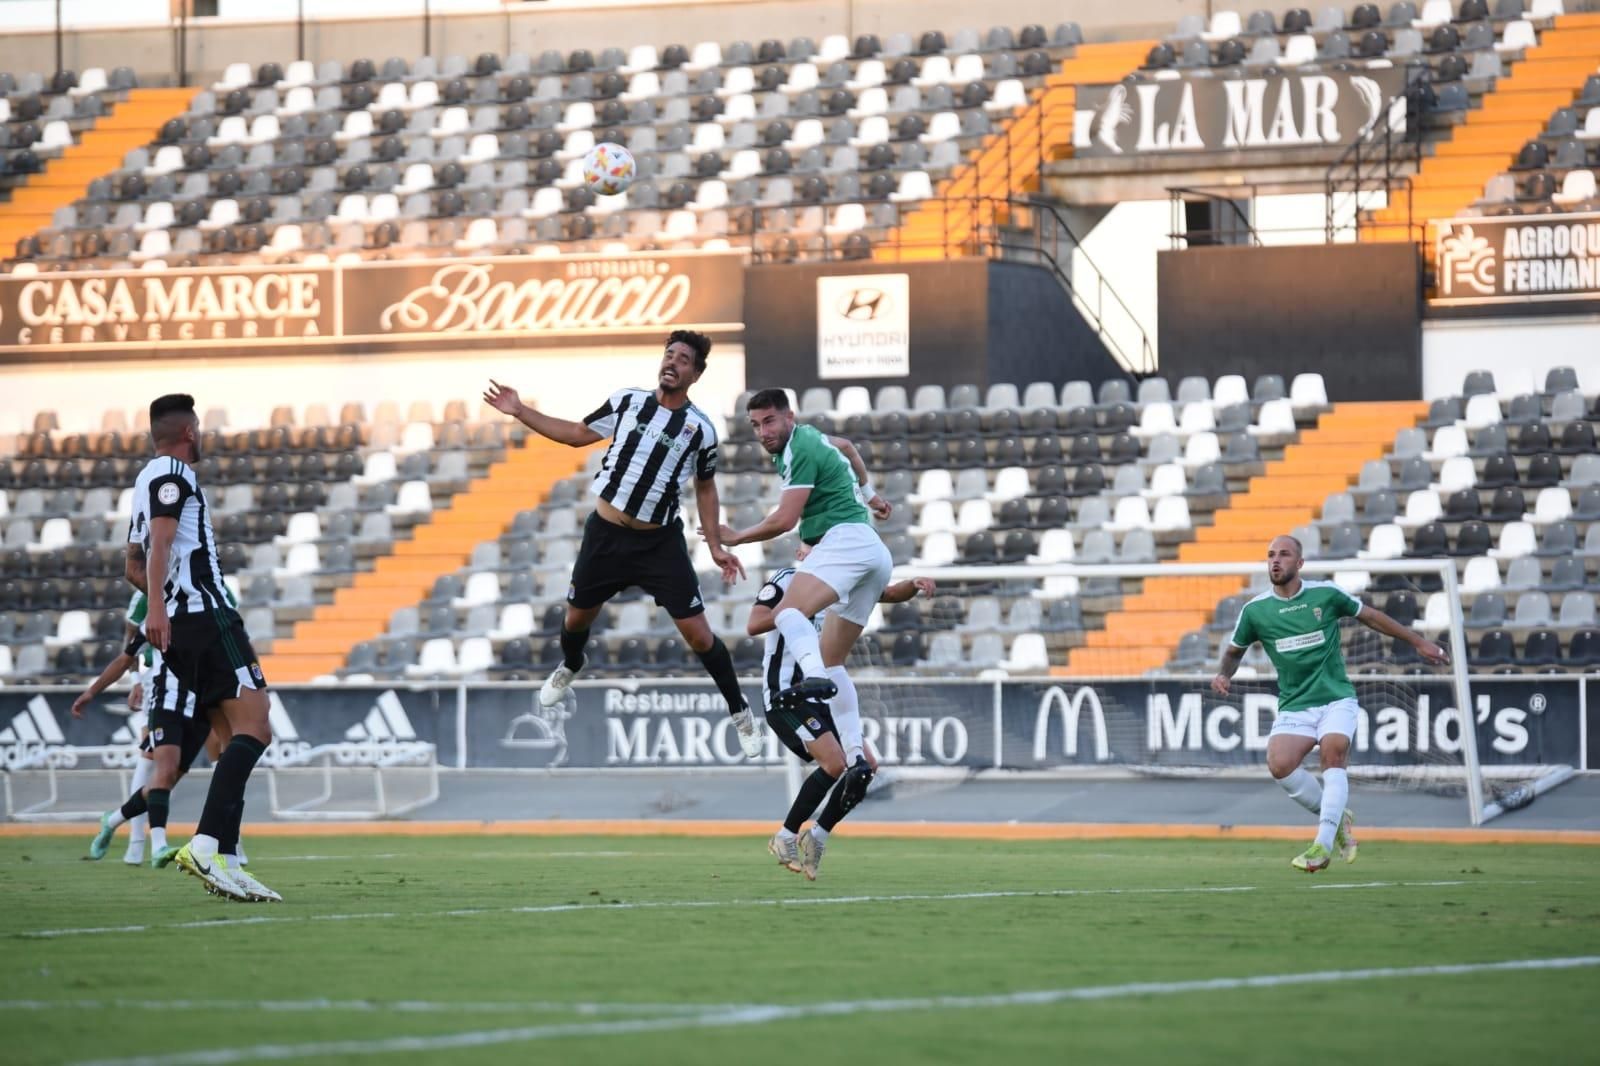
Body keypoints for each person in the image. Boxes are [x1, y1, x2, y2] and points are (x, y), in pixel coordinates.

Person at [482, 331, 763, 757]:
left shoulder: (701, 430)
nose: (672, 362)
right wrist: (520, 410)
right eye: (669, 354)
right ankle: (573, 664)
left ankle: (740, 710)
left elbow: (706, 488)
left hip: (659, 545)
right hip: (606, 536)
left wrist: (715, 545)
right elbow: (577, 433)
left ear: (696, 373)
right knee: (575, 622)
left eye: (683, 359)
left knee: (701, 637)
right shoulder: (628, 401)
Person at [1212, 534, 1449, 873]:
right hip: (1295, 704)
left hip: (1336, 698)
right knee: (1279, 765)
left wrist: (1418, 642)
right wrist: (1224, 675)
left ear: (1300, 563)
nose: (1275, 561)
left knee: (1333, 754)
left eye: (1284, 554)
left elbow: (1371, 617)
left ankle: (1321, 846)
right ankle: (1337, 818)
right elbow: (1234, 652)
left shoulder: (1325, 594)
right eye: (1270, 555)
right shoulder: (1256, 611)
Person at [713, 388, 893, 812]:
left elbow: (785, 520)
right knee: (835, 661)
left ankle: (811, 679)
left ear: (789, 416)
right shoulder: (812, 437)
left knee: (790, 613)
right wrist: (870, 496)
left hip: (844, 540)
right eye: (755, 425)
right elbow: (847, 446)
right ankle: (853, 750)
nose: (763, 432)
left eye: (770, 421)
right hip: (873, 548)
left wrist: (736, 535)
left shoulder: (799, 447)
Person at [132, 393, 278, 902]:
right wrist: (159, 606)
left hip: (180, 625)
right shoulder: (175, 474)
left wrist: (159, 603)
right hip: (206, 616)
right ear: (190, 431)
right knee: (257, 726)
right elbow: (163, 542)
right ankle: (207, 843)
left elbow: (134, 557)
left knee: (225, 737)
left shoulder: (143, 480)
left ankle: (229, 858)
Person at [751, 552, 934, 880]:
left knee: (866, 767)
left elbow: (886, 592)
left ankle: (817, 836)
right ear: (800, 552)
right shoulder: (786, 580)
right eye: (813, 545)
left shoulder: (840, 583)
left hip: (822, 694)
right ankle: (785, 836)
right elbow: (754, 622)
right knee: (835, 764)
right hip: (785, 695)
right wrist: (792, 611)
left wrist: (912, 585)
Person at [76, 588, 246, 870]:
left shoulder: (215, 618)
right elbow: (125, 658)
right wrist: (92, 692)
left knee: (164, 783)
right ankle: (158, 846)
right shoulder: (158, 621)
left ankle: (113, 819)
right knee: (163, 773)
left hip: (200, 710)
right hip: (165, 705)